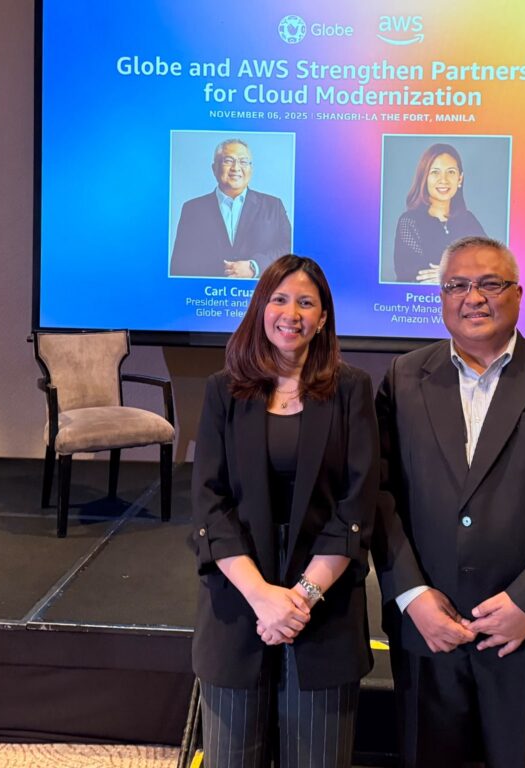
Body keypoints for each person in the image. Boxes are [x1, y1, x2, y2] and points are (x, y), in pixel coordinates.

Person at [373, 236, 525, 767]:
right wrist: (412, 595)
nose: (473, 297)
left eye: (489, 284)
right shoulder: (403, 377)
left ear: (518, 294)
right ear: (441, 297)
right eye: (457, 285)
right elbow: (382, 496)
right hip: (429, 630)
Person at [189, 255, 378, 766]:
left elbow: (356, 506)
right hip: (237, 599)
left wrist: (300, 599)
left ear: (321, 318)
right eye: (278, 298)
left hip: (324, 600)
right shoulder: (222, 391)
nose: (290, 312)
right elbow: (210, 503)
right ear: (260, 307)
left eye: (305, 302)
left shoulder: (352, 390)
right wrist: (262, 598)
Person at [170, 139, 292, 278]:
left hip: (260, 294)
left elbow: (289, 248)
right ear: (214, 168)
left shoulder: (273, 205)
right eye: (228, 160)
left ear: (251, 169)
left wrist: (255, 266)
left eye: (243, 161)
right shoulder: (192, 209)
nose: (236, 168)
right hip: (209, 297)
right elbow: (179, 265)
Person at [393, 143, 487, 283]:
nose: (443, 180)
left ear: (459, 179)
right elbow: (414, 275)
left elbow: (491, 264)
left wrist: (451, 273)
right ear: (424, 179)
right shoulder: (409, 222)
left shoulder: (469, 220)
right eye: (435, 172)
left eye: (451, 172)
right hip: (422, 303)